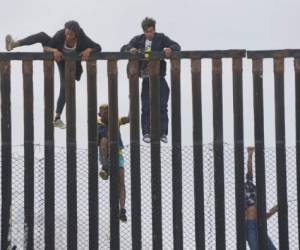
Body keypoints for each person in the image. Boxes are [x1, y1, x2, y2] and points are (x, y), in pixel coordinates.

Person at [5, 20, 101, 128]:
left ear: (76, 34)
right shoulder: (60, 35)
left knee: (65, 86)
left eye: (71, 34)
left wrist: (89, 49)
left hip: (70, 65)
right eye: (67, 33)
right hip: (59, 58)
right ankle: (13, 44)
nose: (68, 36)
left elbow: (98, 47)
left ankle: (57, 118)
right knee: (42, 35)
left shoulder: (82, 38)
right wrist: (54, 50)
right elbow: (45, 48)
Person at [121, 17, 181, 144]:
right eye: (147, 32)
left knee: (162, 105)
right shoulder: (138, 39)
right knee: (146, 106)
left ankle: (163, 133)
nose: (150, 34)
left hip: (159, 77)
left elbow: (176, 46)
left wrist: (170, 49)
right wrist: (130, 49)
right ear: (144, 32)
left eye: (152, 31)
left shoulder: (160, 37)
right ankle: (146, 132)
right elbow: (124, 47)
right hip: (146, 78)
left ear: (154, 30)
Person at [97, 104, 129, 222]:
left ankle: (122, 209)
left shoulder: (116, 121)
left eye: (109, 111)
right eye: (104, 112)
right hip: (105, 153)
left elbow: (129, 118)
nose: (107, 113)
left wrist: (131, 101)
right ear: (100, 114)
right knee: (105, 140)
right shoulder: (97, 122)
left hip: (117, 153)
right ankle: (105, 166)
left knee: (121, 182)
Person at [245, 146, 278, 250]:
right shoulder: (247, 187)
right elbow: (249, 173)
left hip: (258, 225)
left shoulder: (257, 195)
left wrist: (273, 211)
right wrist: (250, 155)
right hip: (250, 225)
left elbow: (262, 217)